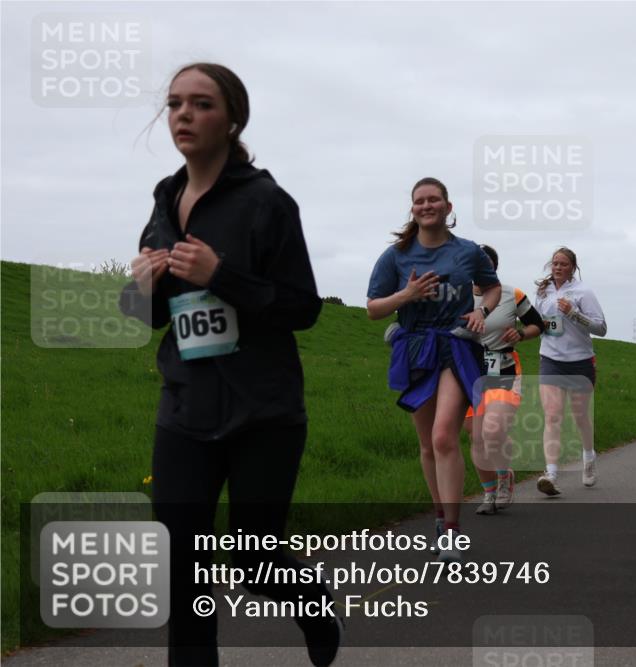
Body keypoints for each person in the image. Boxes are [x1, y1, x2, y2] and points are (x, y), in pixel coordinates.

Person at [119, 63, 341, 666]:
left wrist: (221, 275)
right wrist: (139, 289)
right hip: (185, 408)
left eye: (201, 104)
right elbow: (149, 317)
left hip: (262, 412)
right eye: (174, 104)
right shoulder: (165, 200)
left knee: (254, 558)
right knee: (182, 569)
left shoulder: (267, 202)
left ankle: (310, 602)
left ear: (233, 119)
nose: (183, 115)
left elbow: (302, 307)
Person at [367, 177, 500, 562]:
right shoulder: (395, 256)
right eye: (420, 201)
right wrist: (406, 295)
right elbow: (373, 308)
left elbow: (491, 287)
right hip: (415, 349)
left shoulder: (467, 251)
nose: (426, 206)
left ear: (448, 206)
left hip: (456, 345)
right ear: (413, 209)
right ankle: (441, 518)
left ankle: (453, 533)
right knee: (427, 444)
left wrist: (481, 310)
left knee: (444, 436)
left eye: (434, 200)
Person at [461, 245, 545, 515]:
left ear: (493, 268)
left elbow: (538, 324)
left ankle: (504, 476)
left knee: (493, 430)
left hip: (504, 369)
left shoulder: (511, 294)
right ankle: (489, 493)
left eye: (485, 264)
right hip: (468, 371)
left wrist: (521, 334)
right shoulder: (459, 295)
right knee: (476, 436)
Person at [534, 248, 607, 495]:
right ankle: (551, 474)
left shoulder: (583, 292)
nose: (557, 267)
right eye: (555, 263)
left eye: (563, 264)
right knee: (552, 416)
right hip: (550, 359)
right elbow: (539, 323)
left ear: (573, 268)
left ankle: (589, 457)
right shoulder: (543, 291)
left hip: (579, 362)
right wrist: (539, 325)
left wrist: (574, 314)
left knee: (580, 417)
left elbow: (601, 328)